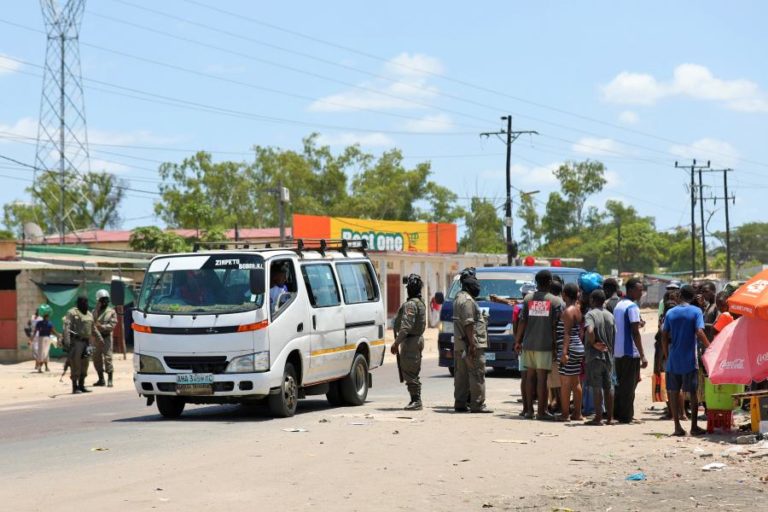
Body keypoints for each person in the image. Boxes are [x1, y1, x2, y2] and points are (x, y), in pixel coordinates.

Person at [662, 285, 711, 436]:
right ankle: (694, 427)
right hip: (690, 359)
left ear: (680, 295)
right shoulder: (696, 311)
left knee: (674, 392)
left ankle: (677, 427)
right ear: (692, 296)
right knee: (693, 393)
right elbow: (699, 331)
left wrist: (666, 354)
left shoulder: (670, 312)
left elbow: (664, 335)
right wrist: (711, 347)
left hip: (673, 359)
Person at [515, 270, 561, 421]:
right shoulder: (555, 301)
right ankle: (541, 412)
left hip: (528, 344)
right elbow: (555, 326)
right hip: (545, 345)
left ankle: (529, 411)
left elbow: (522, 321)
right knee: (542, 379)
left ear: (536, 282)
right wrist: (555, 345)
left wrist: (518, 341)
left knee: (529, 377)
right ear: (549, 282)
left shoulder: (528, 299)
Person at [453, 268, 492, 413]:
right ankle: (477, 404)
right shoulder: (468, 301)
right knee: (476, 374)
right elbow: (469, 324)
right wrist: (473, 344)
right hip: (470, 344)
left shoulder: (458, 297)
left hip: (460, 344)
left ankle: (460, 403)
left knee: (461, 376)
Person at [613, 278, 647, 424]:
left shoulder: (619, 305)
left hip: (618, 351)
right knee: (629, 386)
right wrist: (643, 355)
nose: (641, 293)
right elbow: (634, 332)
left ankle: (618, 413)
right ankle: (626, 417)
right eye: (640, 290)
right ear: (631, 290)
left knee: (620, 385)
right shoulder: (632, 307)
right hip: (630, 351)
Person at [391, 274, 427, 411]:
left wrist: (396, 343)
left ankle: (416, 400)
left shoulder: (411, 304)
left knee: (410, 372)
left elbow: (406, 326)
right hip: (416, 340)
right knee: (413, 370)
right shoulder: (420, 303)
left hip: (411, 341)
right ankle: (415, 399)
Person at [584, 289, 616, 425]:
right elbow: (615, 335)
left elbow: (589, 330)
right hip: (608, 357)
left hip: (594, 357)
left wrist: (593, 343)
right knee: (609, 387)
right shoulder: (610, 315)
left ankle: (598, 418)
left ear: (592, 300)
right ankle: (609, 418)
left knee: (596, 387)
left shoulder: (590, 314)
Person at [62, 295, 102, 394]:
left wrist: (99, 337)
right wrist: (67, 342)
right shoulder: (72, 313)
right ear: (78, 303)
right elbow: (67, 327)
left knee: (85, 364)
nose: (85, 304)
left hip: (87, 342)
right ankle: (75, 387)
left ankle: (82, 385)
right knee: (75, 364)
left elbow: (93, 328)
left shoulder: (89, 314)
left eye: (86, 302)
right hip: (76, 342)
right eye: (83, 302)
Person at [556, 283, 584, 421]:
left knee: (565, 383)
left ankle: (565, 414)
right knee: (575, 381)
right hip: (578, 347)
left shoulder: (568, 311)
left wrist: (564, 352)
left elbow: (566, 334)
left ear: (565, 295)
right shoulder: (578, 310)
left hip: (569, 348)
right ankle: (577, 413)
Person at [93, 289, 118, 387]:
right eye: (102, 300)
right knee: (96, 359)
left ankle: (110, 379)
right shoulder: (95, 311)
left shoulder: (111, 311)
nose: (104, 302)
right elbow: (92, 321)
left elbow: (113, 324)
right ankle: (101, 379)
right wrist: (97, 309)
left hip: (106, 337)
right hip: (96, 339)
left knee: (108, 358)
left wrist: (102, 327)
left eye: (105, 299)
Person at [32, 304, 57, 373]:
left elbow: (35, 331)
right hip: (45, 339)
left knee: (43, 352)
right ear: (47, 316)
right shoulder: (49, 323)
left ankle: (43, 367)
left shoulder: (40, 323)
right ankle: (41, 367)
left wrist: (31, 339)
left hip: (42, 338)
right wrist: (58, 335)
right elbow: (53, 331)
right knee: (45, 352)